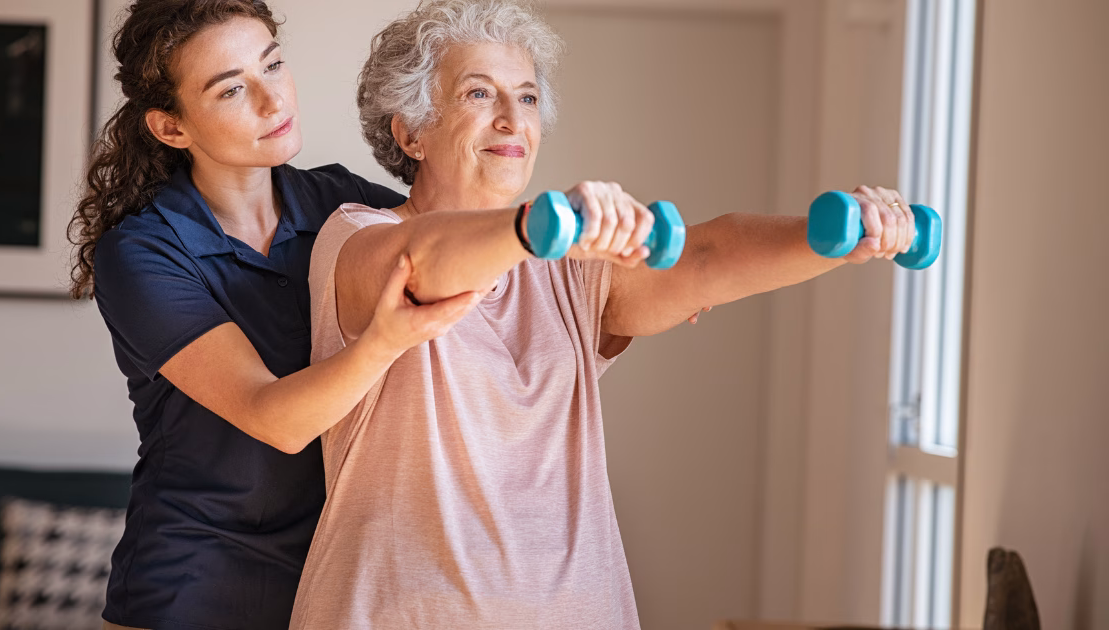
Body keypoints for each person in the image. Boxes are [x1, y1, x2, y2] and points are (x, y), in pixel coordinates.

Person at [288, 0, 919, 628]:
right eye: (480, 94)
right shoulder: (356, 238)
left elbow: (703, 256)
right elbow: (424, 267)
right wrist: (541, 225)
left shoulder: (569, 267)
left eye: (528, 99)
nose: (513, 120)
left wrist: (837, 236)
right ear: (411, 132)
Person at [67, 2, 482, 629]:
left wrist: (606, 297)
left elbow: (453, 251)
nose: (272, 100)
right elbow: (276, 418)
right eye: (232, 89)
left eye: (274, 64)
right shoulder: (143, 253)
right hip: (195, 585)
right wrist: (384, 340)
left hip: (335, 580)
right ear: (171, 127)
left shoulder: (340, 202)